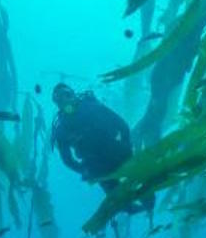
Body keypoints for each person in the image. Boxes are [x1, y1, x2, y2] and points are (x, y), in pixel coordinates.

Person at [51, 83, 154, 215]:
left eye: (67, 95)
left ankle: (148, 205)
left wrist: (127, 147)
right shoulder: (62, 129)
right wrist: (83, 169)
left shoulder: (91, 107)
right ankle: (136, 208)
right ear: (57, 104)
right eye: (59, 99)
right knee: (121, 202)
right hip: (96, 164)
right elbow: (67, 160)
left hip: (115, 151)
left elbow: (122, 125)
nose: (65, 101)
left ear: (74, 94)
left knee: (143, 185)